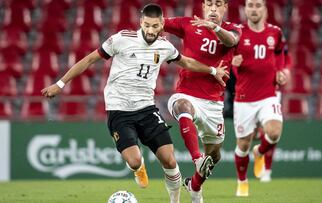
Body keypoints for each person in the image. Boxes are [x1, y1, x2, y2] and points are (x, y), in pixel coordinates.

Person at [41, 4, 229, 203]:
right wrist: (60, 84)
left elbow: (187, 62)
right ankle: (138, 169)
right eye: (146, 25)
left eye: (155, 26)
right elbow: (89, 60)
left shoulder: (165, 46)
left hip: (147, 109)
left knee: (169, 159)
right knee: (134, 159)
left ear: (162, 24)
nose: (150, 30)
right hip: (119, 110)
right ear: (141, 22)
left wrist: (213, 71)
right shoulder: (121, 39)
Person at [164, 0, 241, 202]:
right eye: (209, 4)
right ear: (203, 7)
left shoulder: (233, 29)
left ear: (225, 7)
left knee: (214, 156)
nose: (213, 9)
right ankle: (197, 158)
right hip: (187, 94)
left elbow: (231, 41)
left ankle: (194, 186)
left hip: (214, 103)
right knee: (182, 106)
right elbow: (155, 22)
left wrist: (214, 27)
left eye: (218, 4)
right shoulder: (188, 24)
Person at [231, 0, 288, 197]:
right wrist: (233, 62)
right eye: (250, 5)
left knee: (274, 132)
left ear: (264, 9)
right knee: (243, 145)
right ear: (244, 9)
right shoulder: (237, 33)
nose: (254, 9)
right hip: (244, 98)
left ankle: (260, 152)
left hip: (268, 95)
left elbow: (281, 53)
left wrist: (281, 71)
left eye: (258, 5)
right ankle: (242, 181)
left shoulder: (275, 32)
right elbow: (225, 59)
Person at [256, 44, 291, 182]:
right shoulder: (257, 52)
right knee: (250, 134)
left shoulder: (282, 58)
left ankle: (267, 170)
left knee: (271, 134)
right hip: (251, 94)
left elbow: (286, 65)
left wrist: (284, 73)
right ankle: (258, 150)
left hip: (271, 95)